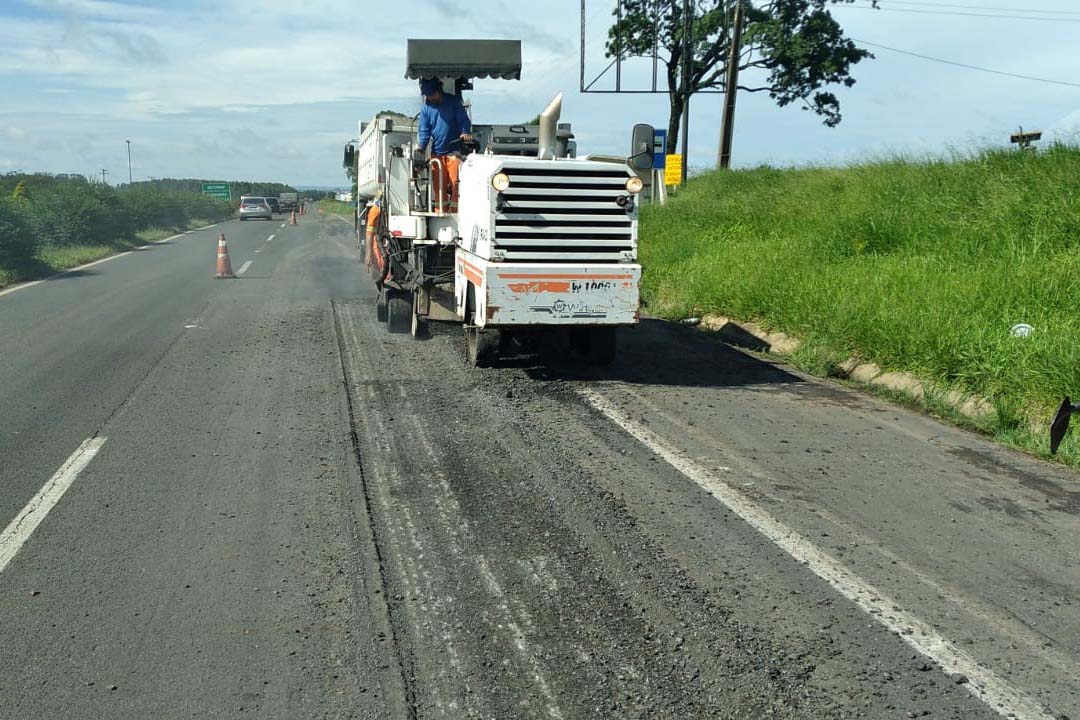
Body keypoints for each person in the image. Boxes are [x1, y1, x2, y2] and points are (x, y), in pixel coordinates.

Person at [417, 78, 473, 212]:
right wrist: (420, 149)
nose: (431, 98)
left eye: (432, 94)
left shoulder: (453, 102)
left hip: (454, 152)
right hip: (437, 154)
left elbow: (464, 120)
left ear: (439, 89)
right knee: (439, 189)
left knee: (456, 185)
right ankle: (440, 212)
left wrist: (464, 132)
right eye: (428, 95)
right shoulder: (426, 109)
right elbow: (424, 131)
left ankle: (456, 213)